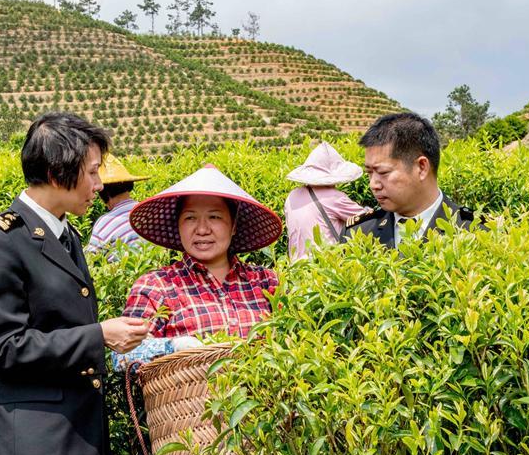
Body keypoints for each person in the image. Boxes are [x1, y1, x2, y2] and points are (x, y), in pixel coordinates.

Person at [0, 112, 149, 455]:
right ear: (55, 172)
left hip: (75, 447)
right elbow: (4, 349)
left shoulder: (65, 234)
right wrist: (99, 335)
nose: (99, 185)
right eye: (93, 173)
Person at [111, 164, 282, 371]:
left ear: (234, 225)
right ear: (178, 225)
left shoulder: (266, 282)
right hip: (185, 402)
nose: (202, 229)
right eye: (190, 218)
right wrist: (173, 347)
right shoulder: (156, 286)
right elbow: (121, 357)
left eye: (215, 217)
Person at [341, 112, 478, 248]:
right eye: (369, 173)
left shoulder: (476, 231)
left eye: (383, 172)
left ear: (421, 167)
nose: (373, 185)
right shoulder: (358, 233)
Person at [283, 141, 371, 260]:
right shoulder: (334, 197)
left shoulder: (292, 196)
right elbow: (367, 218)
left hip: (296, 266)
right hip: (325, 266)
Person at [86, 154, 150, 256]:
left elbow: (91, 259)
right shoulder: (148, 211)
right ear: (129, 185)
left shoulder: (105, 223)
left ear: (103, 193)